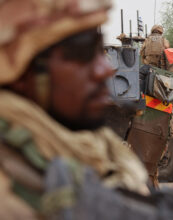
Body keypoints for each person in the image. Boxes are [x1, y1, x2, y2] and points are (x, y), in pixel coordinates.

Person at [0, 0, 148, 218]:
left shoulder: (105, 154)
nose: (105, 70)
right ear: (21, 71)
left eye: (100, 51)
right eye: (81, 53)